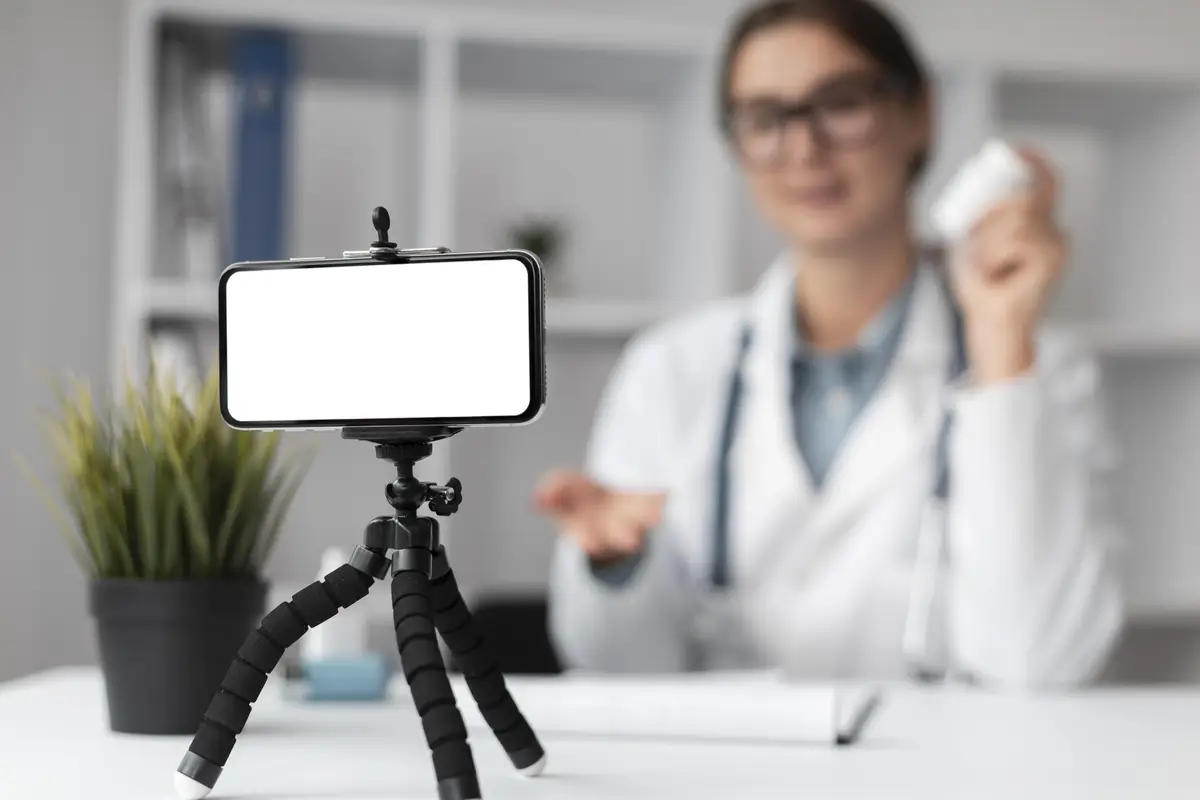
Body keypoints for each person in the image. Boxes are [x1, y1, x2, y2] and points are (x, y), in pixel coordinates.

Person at [533, 0, 1124, 689]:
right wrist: (618, 563)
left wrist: (999, 343)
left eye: (840, 102)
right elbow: (614, 667)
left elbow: (1040, 663)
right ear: (737, 145)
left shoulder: (1036, 367)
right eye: (765, 118)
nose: (805, 148)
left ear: (917, 114)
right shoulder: (670, 369)